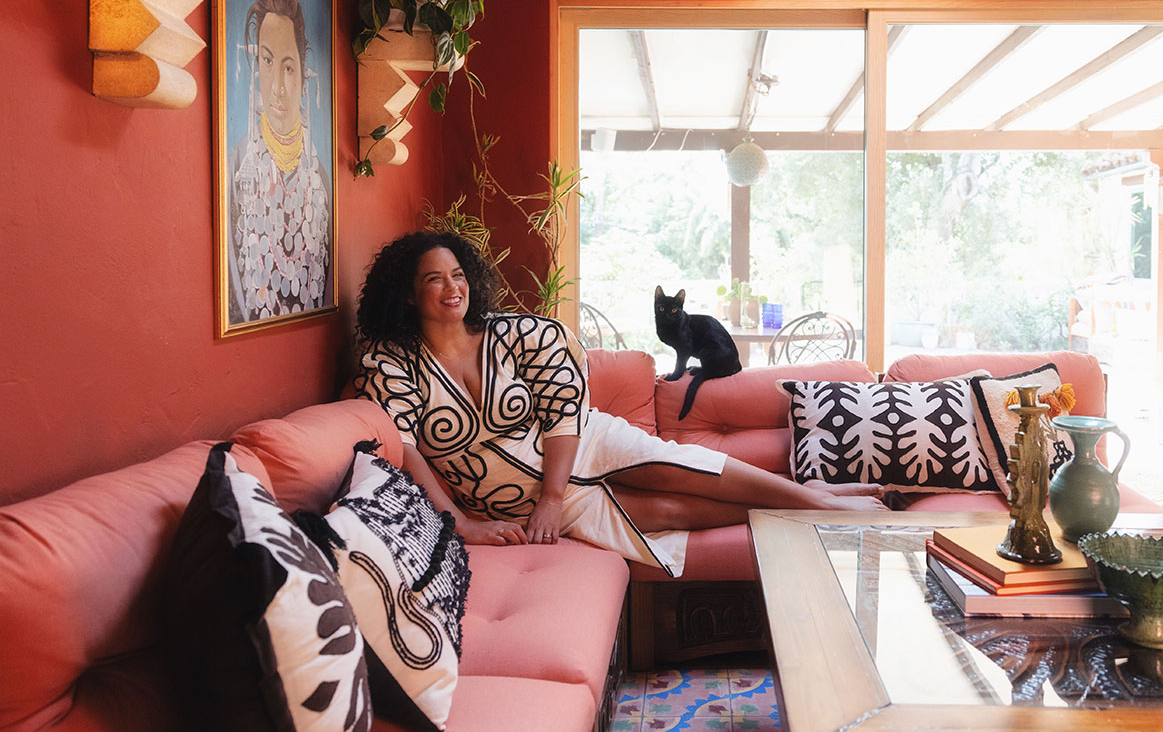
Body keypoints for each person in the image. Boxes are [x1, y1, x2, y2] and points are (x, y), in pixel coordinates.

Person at [353, 231, 886, 577]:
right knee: (668, 515)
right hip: (512, 504)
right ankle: (805, 501)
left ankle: (821, 505)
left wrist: (553, 497)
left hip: (580, 450)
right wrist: (461, 524)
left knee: (677, 468)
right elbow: (406, 451)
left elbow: (563, 410)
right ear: (406, 294)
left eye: (458, 275)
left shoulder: (517, 333)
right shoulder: (390, 362)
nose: (453, 288)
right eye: (434, 279)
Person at [228, 0, 332, 324]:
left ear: (303, 75)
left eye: (287, 66)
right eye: (267, 61)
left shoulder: (319, 179)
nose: (277, 87)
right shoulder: (237, 166)